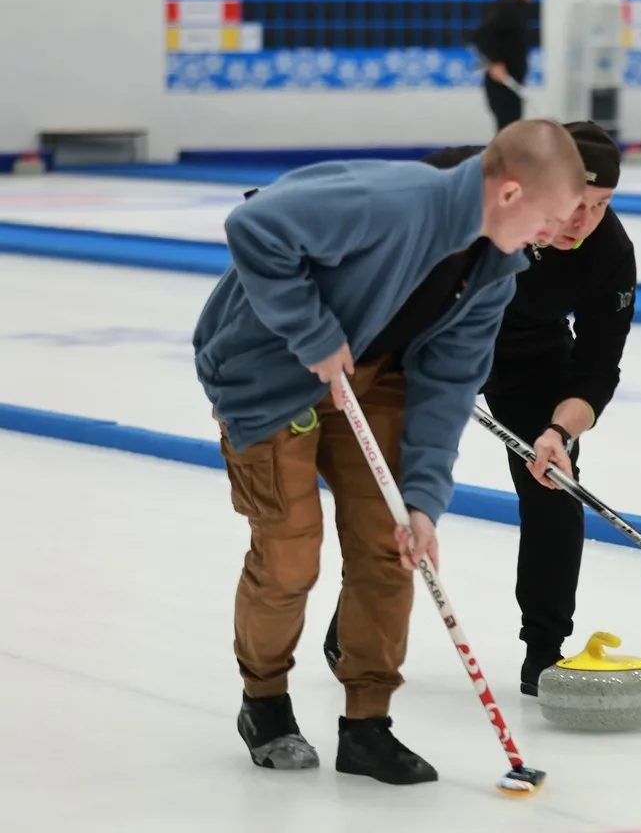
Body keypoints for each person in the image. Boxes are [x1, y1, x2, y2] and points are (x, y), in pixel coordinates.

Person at [193, 119, 586, 786]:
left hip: (372, 379)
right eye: (548, 219)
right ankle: (265, 702)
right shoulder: (391, 200)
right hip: (269, 377)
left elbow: (449, 387)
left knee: (393, 543)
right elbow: (255, 227)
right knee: (290, 550)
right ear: (510, 193)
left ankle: (367, 725)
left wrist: (424, 500)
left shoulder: (496, 274)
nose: (550, 236)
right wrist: (312, 332)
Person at [321, 122, 638, 699]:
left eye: (602, 205)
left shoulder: (609, 251)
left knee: (554, 486)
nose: (583, 221)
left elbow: (597, 369)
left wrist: (559, 431)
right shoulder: (476, 181)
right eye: (576, 202)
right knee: (396, 485)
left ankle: (544, 650)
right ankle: (355, 620)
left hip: (530, 355)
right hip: (432, 333)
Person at [469, 0, 535, 133]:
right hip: (503, 83)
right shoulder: (506, 7)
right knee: (509, 132)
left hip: (513, 82)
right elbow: (480, 36)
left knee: (513, 130)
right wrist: (495, 62)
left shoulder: (518, 8)